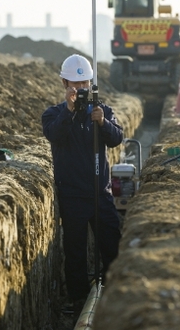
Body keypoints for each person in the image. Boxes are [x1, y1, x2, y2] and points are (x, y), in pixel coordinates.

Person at [41, 54, 124, 313]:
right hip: (73, 196)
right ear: (65, 84)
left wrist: (103, 122)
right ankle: (78, 300)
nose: (80, 90)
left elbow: (116, 138)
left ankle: (116, 295)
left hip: (101, 194)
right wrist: (68, 111)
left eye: (84, 84)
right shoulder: (54, 113)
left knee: (112, 243)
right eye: (75, 86)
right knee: (74, 251)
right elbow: (53, 134)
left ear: (91, 83)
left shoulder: (102, 111)